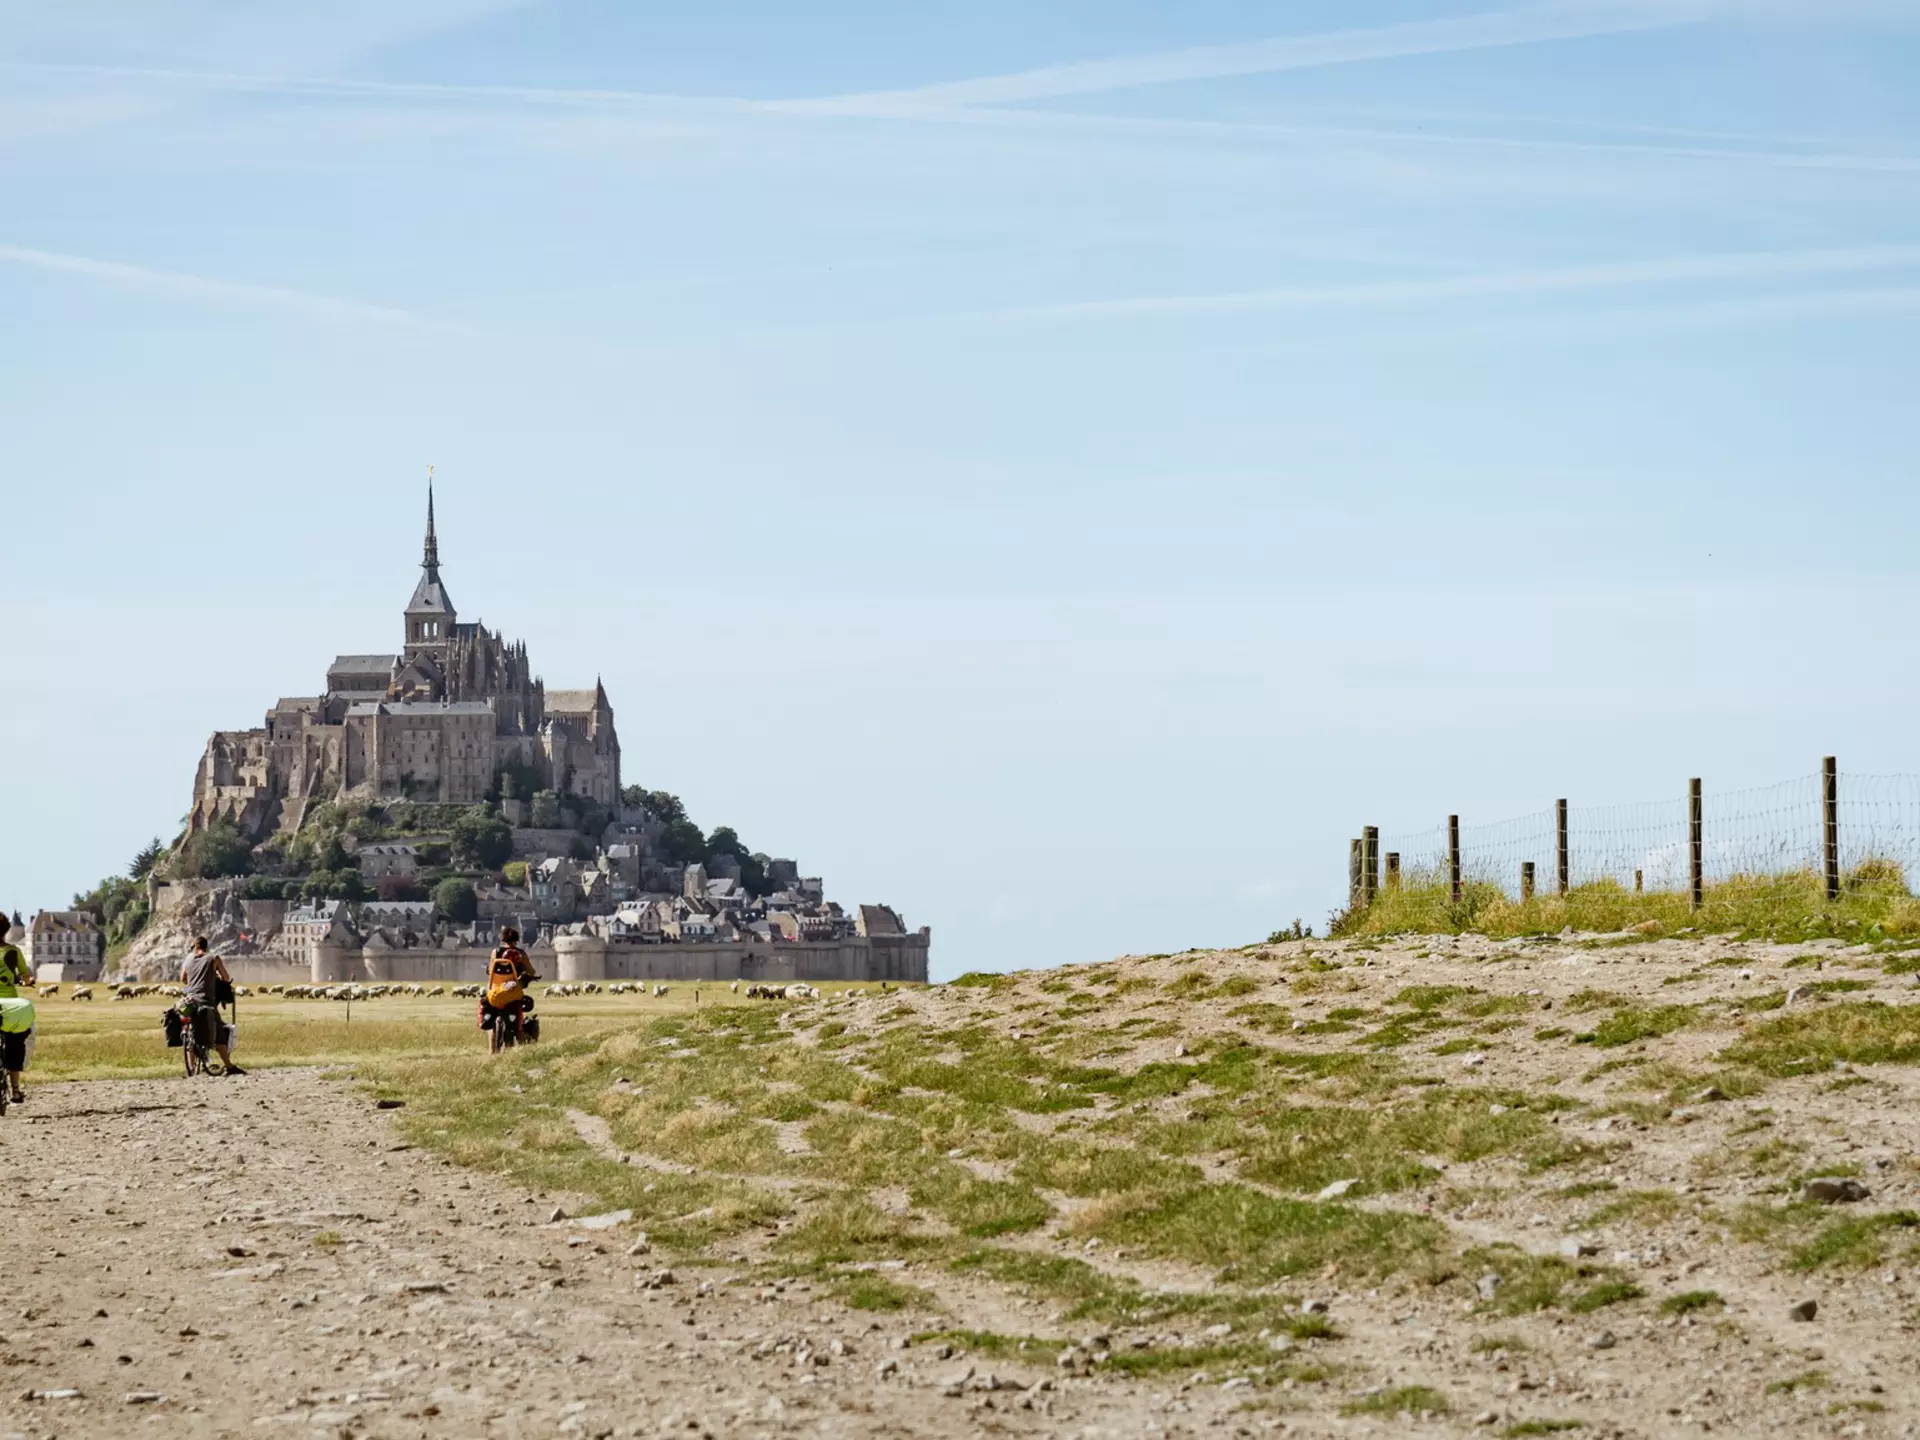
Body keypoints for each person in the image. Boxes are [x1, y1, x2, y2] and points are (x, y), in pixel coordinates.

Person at [180, 936, 245, 1075]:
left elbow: (183, 979)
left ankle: (190, 1069)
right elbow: (226, 978)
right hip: (206, 1001)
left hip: (190, 1001)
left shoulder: (188, 959)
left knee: (191, 1030)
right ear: (205, 946)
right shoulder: (214, 958)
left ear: (195, 946)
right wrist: (216, 978)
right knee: (219, 1033)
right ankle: (229, 1066)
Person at [482, 926, 538, 1039]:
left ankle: (491, 1051)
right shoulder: (521, 953)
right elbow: (531, 971)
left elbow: (491, 970)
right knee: (518, 1022)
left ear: (503, 940)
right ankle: (522, 1038)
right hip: (512, 992)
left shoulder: (495, 952)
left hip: (495, 991)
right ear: (516, 940)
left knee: (492, 1023)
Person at [0, 927, 34, 1109]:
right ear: (5, 931)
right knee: (16, 1040)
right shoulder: (13, 951)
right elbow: (26, 976)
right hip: (10, 1006)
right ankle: (15, 1089)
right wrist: (27, 982)